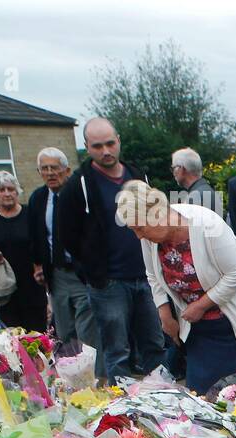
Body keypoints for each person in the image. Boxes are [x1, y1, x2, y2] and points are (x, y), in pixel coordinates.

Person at [118, 181, 236, 394]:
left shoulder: (207, 225)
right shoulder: (148, 237)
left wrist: (201, 305)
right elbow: (152, 275)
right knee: (200, 395)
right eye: (133, 230)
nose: (138, 235)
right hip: (200, 328)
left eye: (139, 228)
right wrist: (164, 313)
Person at [58, 118, 165, 380]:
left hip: (146, 276)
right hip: (108, 283)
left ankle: (164, 398)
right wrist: (94, 275)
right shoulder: (78, 185)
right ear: (86, 147)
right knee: (117, 349)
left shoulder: (138, 175)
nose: (105, 151)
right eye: (97, 146)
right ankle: (122, 411)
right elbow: (67, 235)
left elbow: (156, 217)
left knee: (155, 343)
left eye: (109, 143)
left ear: (118, 141)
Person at [29, 148, 98, 350]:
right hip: (56, 274)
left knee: (87, 327)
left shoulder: (81, 195)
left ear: (67, 170)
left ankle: (95, 373)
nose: (50, 173)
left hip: (81, 272)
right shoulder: (38, 199)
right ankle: (71, 371)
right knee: (64, 329)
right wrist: (37, 266)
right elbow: (35, 235)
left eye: (54, 168)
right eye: (44, 168)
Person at [0, 172, 46, 331]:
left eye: (11, 189)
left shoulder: (29, 213)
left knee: (38, 333)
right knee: (12, 335)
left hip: (32, 284)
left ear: (17, 191)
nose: (7, 193)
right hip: (3, 289)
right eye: (1, 189)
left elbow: (41, 243)